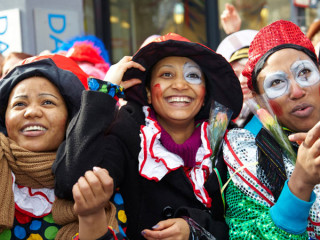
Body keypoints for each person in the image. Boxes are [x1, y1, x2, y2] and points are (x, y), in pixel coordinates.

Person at [53, 33, 244, 239]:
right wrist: (103, 92)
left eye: (193, 76)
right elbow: (72, 181)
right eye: (167, 75)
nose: (180, 85)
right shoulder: (129, 133)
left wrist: (196, 230)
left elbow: (250, 226)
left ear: (205, 93)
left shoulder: (232, 142)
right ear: (148, 93)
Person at [0, 54, 118, 239]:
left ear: (72, 119)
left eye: (47, 102)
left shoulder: (101, 182)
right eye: (19, 104)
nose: (31, 112)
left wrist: (92, 216)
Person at [222, 19, 320, 239]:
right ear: (261, 101)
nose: (296, 91)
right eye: (276, 83)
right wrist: (300, 184)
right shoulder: (248, 160)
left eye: (304, 72)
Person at [216, 29, 258, 127]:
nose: (242, 81)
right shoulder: (223, 115)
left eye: (248, 74)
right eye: (235, 74)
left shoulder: (275, 114)